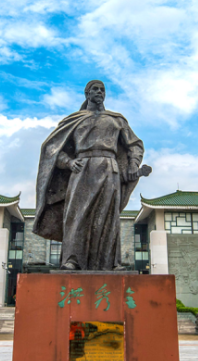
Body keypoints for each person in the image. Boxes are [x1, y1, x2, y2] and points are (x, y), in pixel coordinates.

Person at [33, 80, 151, 271]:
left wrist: (133, 164)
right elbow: (53, 149)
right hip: (82, 169)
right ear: (87, 94)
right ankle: (71, 260)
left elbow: (135, 145)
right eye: (95, 89)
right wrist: (69, 163)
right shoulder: (75, 120)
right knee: (76, 215)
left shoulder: (117, 120)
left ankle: (112, 262)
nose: (99, 92)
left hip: (109, 168)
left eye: (102, 90)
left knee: (109, 217)